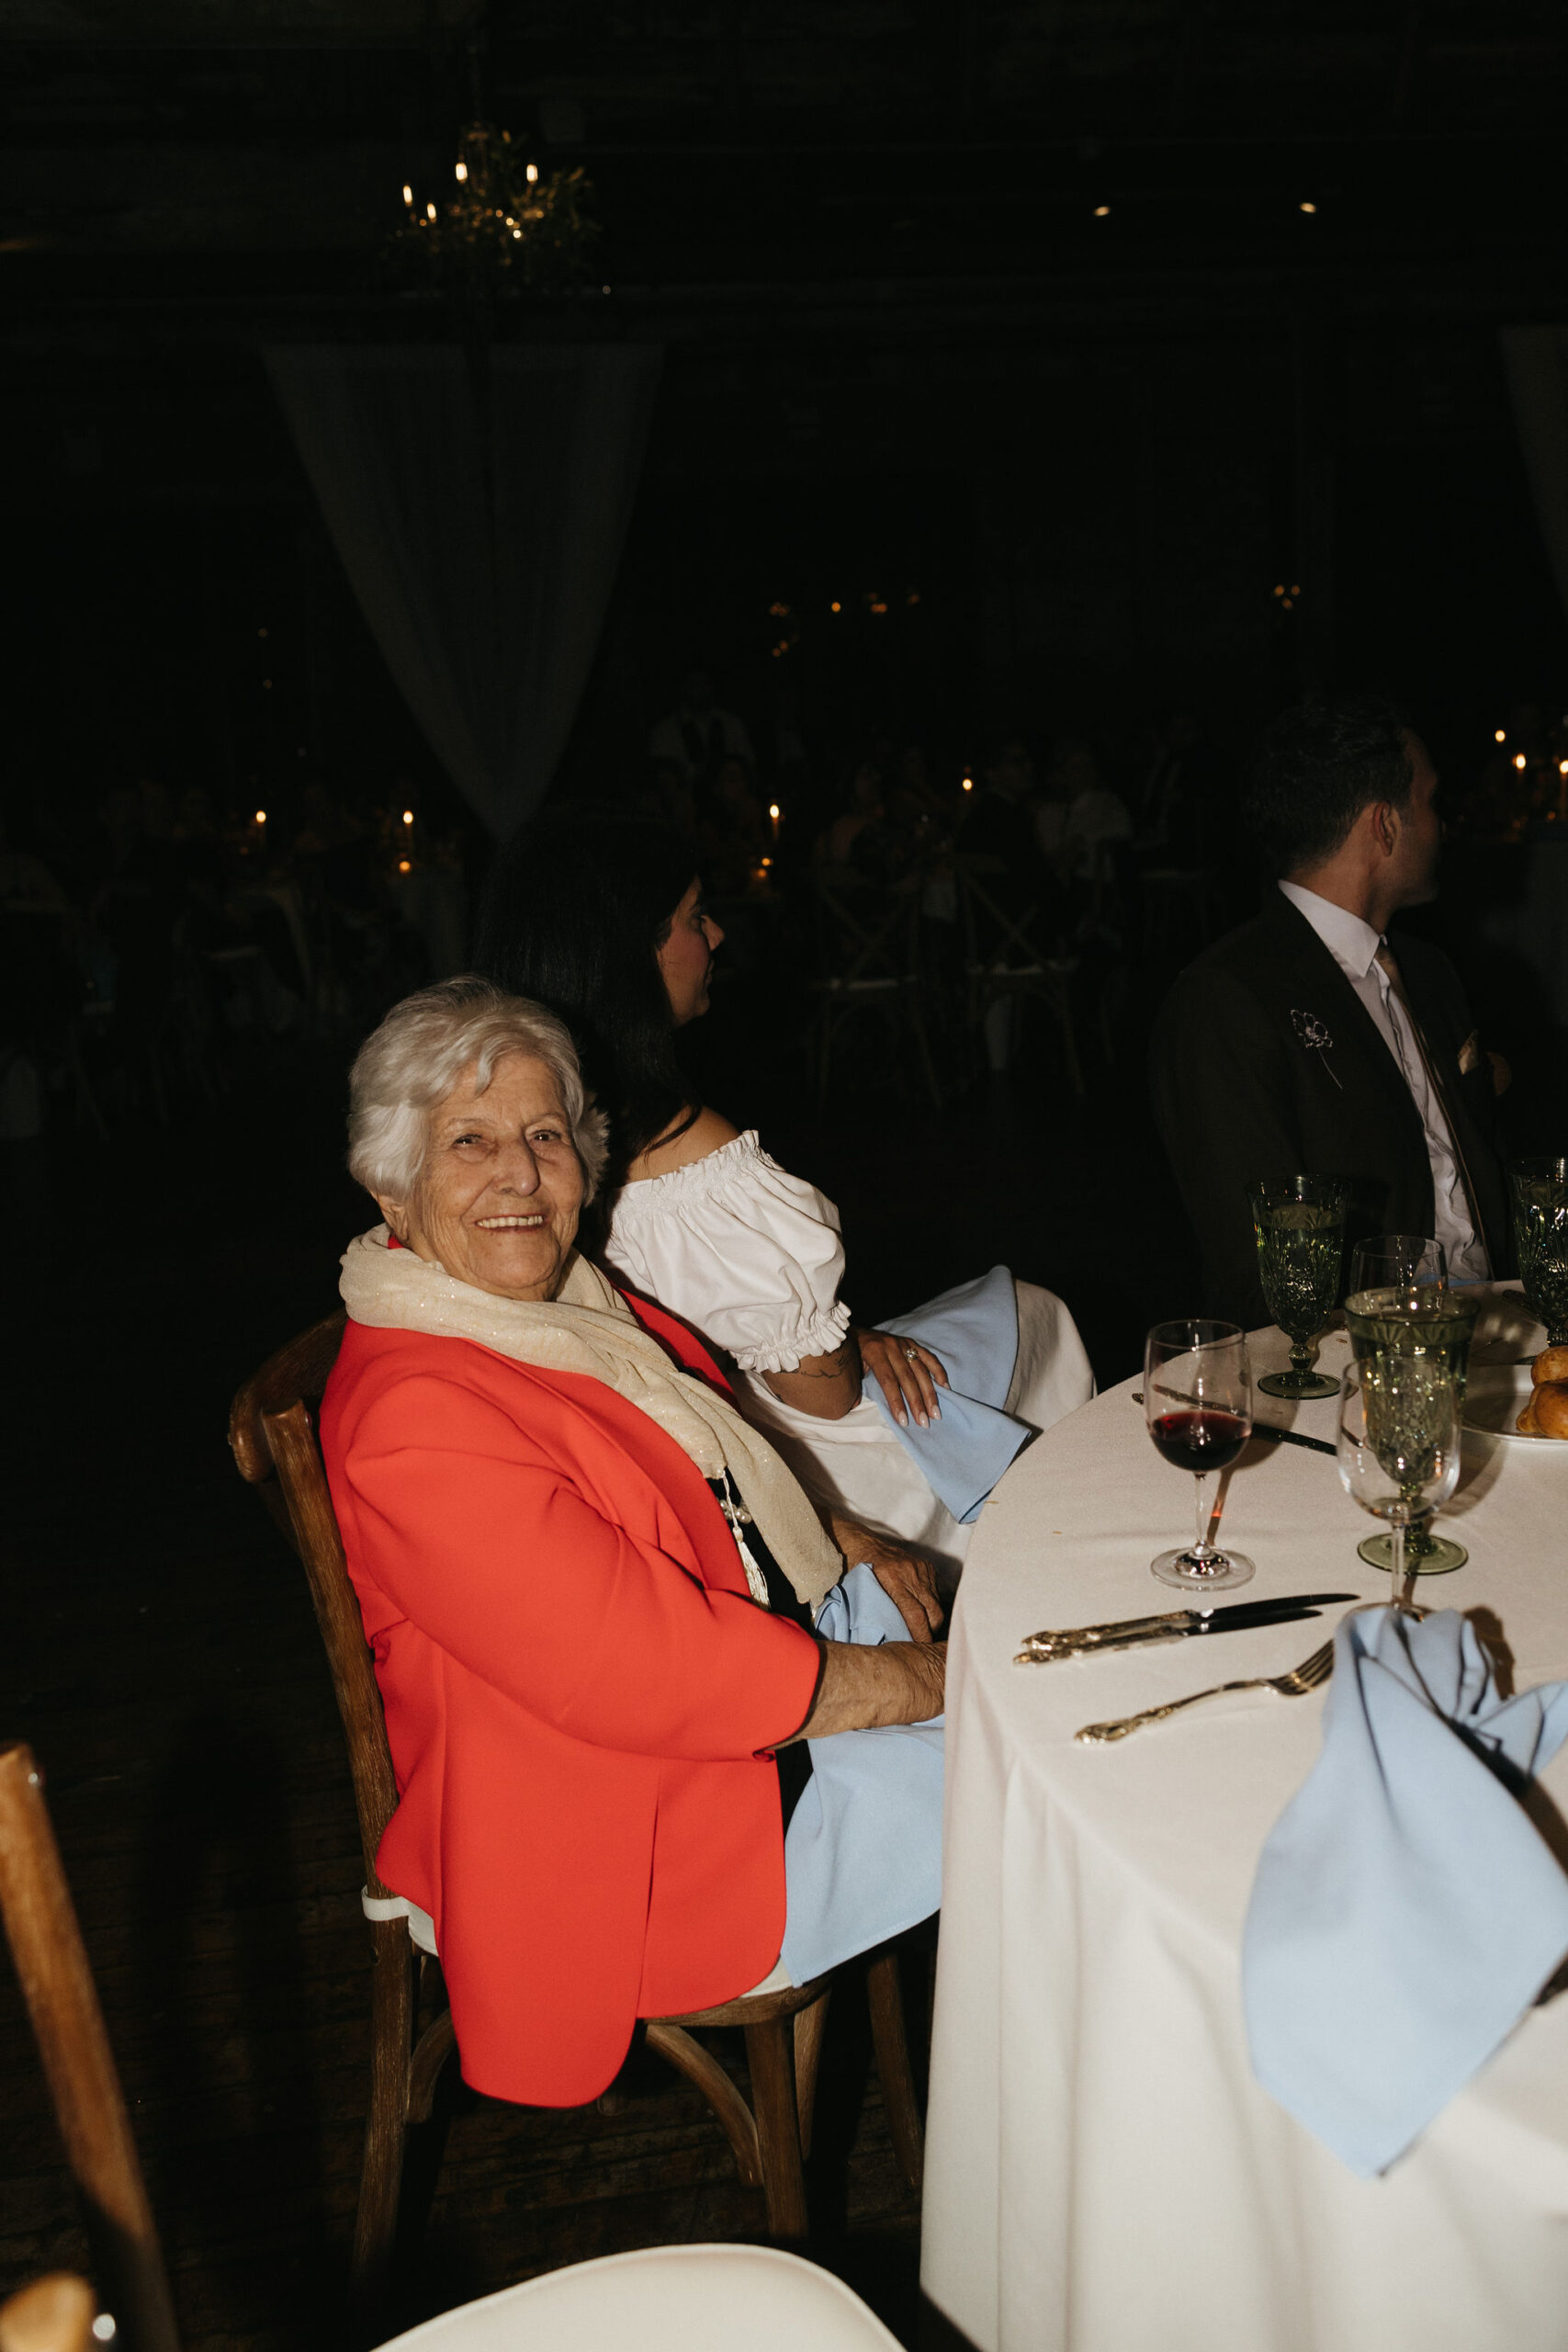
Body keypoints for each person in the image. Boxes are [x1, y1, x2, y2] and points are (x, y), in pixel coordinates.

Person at [321, 979, 946, 2109]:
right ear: (390, 1185)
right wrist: (916, 1683)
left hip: (739, 1691)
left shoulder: (562, 1300)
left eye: (546, 1136)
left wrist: (844, 1535)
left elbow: (711, 1451)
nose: (521, 1173)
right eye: (471, 1141)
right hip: (626, 1822)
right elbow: (642, 1663)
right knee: (1041, 1775)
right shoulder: (413, 1413)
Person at [476, 816, 1094, 1589]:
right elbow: (826, 1401)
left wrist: (828, 1331)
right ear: (631, 952)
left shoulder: (501, 1130)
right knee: (1038, 1317)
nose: (717, 936)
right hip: (775, 1476)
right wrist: (826, 1345)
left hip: (650, 1447)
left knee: (957, 1330)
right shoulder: (684, 1149)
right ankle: (1053, 1572)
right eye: (695, 917)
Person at [1149, 694, 1509, 1329]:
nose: (1440, 824)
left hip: (1494, 1322)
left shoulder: (1428, 972)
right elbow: (1258, 1278)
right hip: (1367, 1356)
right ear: (1384, 825)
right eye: (1428, 801)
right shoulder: (1228, 999)